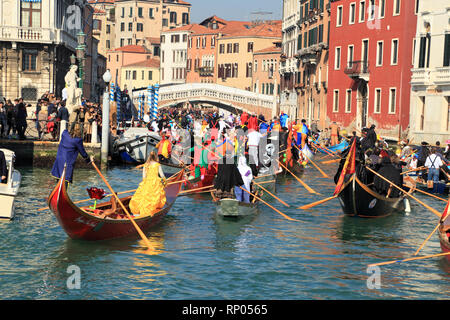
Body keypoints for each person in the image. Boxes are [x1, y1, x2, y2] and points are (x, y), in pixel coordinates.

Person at [129, 151, 166, 217]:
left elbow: (144, 176)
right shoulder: (157, 165)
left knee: (143, 197)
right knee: (154, 197)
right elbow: (162, 175)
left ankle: (138, 211)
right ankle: (149, 211)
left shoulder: (146, 165)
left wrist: (145, 183)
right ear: (156, 157)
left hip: (146, 182)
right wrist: (165, 182)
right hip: (155, 183)